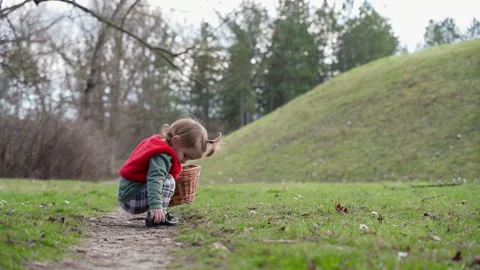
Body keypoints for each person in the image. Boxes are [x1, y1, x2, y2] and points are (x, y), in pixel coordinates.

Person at [117, 115, 221, 227]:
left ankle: (158, 213)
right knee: (169, 180)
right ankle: (157, 217)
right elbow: (155, 179)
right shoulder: (162, 155)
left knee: (166, 179)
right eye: (185, 155)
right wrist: (156, 206)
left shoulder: (159, 145)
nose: (184, 161)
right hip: (131, 199)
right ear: (176, 140)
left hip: (129, 195)